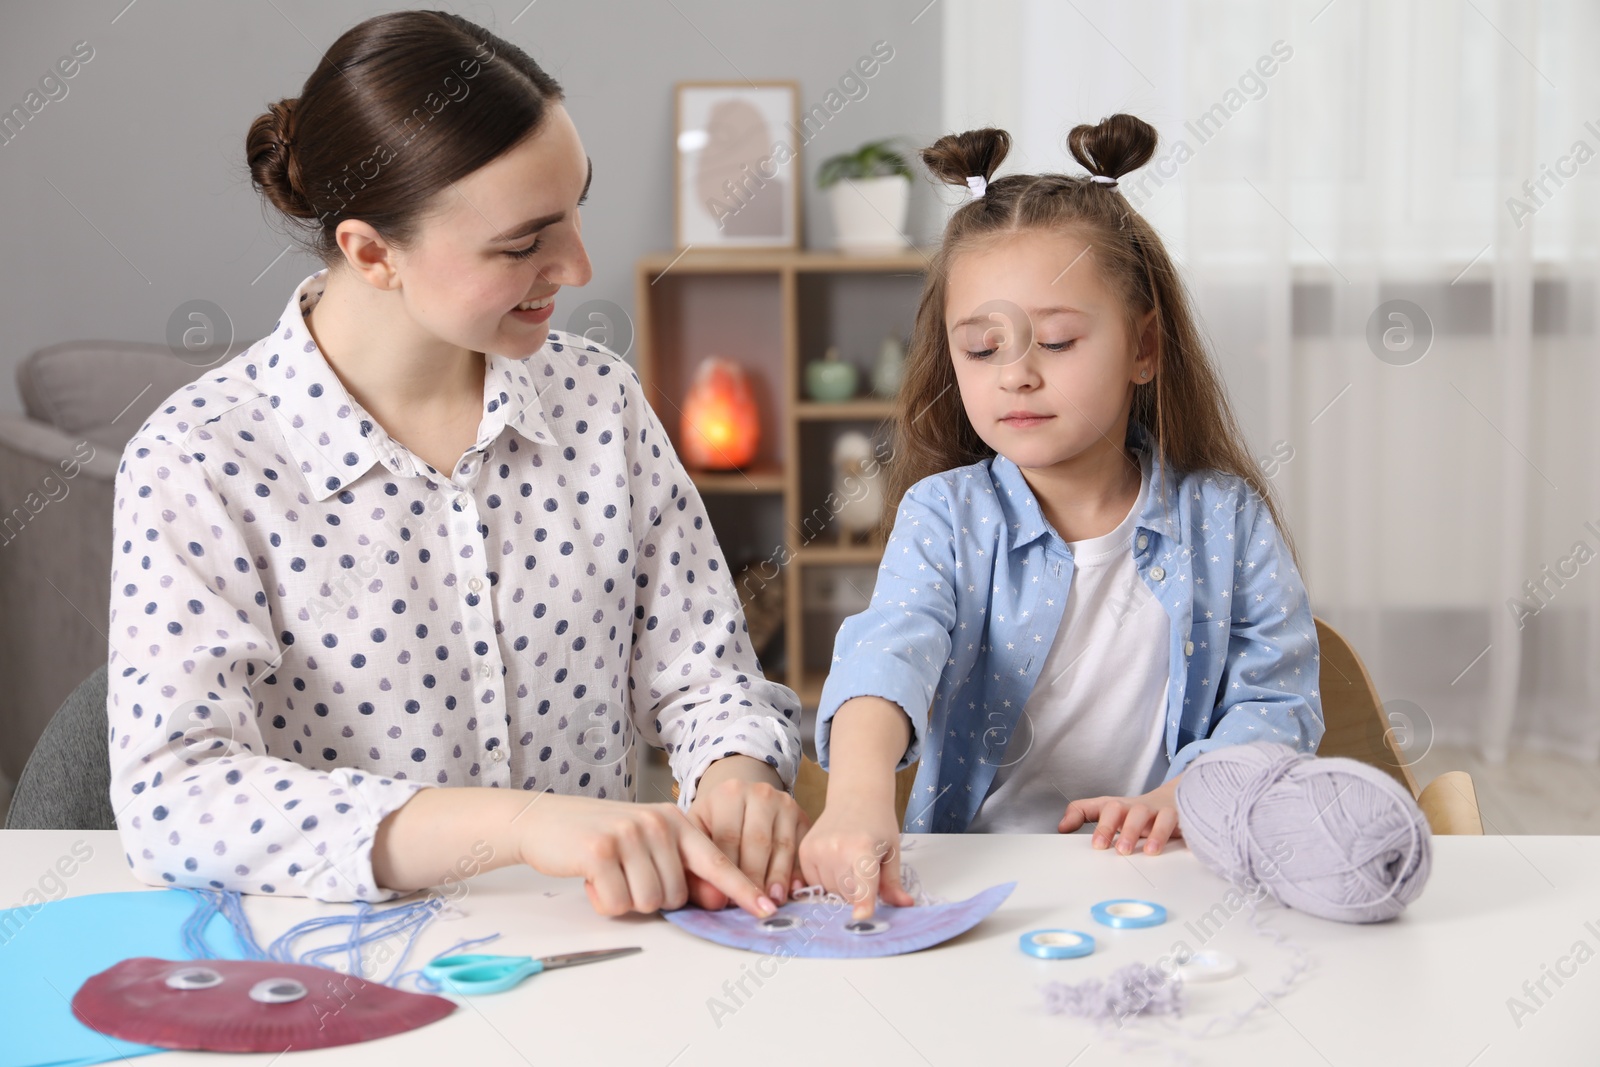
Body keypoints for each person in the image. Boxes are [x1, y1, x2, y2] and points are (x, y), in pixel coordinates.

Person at [106, 10, 807, 917]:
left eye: (576, 209)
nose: (580, 264)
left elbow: (705, 679)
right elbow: (173, 798)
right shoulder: (199, 459)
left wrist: (735, 775)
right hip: (340, 974)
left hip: (604, 954)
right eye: (523, 244)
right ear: (371, 252)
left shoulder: (601, 403)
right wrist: (518, 826)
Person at [798, 116, 1323, 917]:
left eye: (1058, 340)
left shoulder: (1225, 519)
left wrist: (1189, 791)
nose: (1017, 374)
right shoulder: (945, 516)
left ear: (1144, 347)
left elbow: (1278, 702)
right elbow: (889, 652)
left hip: (1172, 875)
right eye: (982, 348)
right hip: (985, 882)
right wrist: (861, 793)